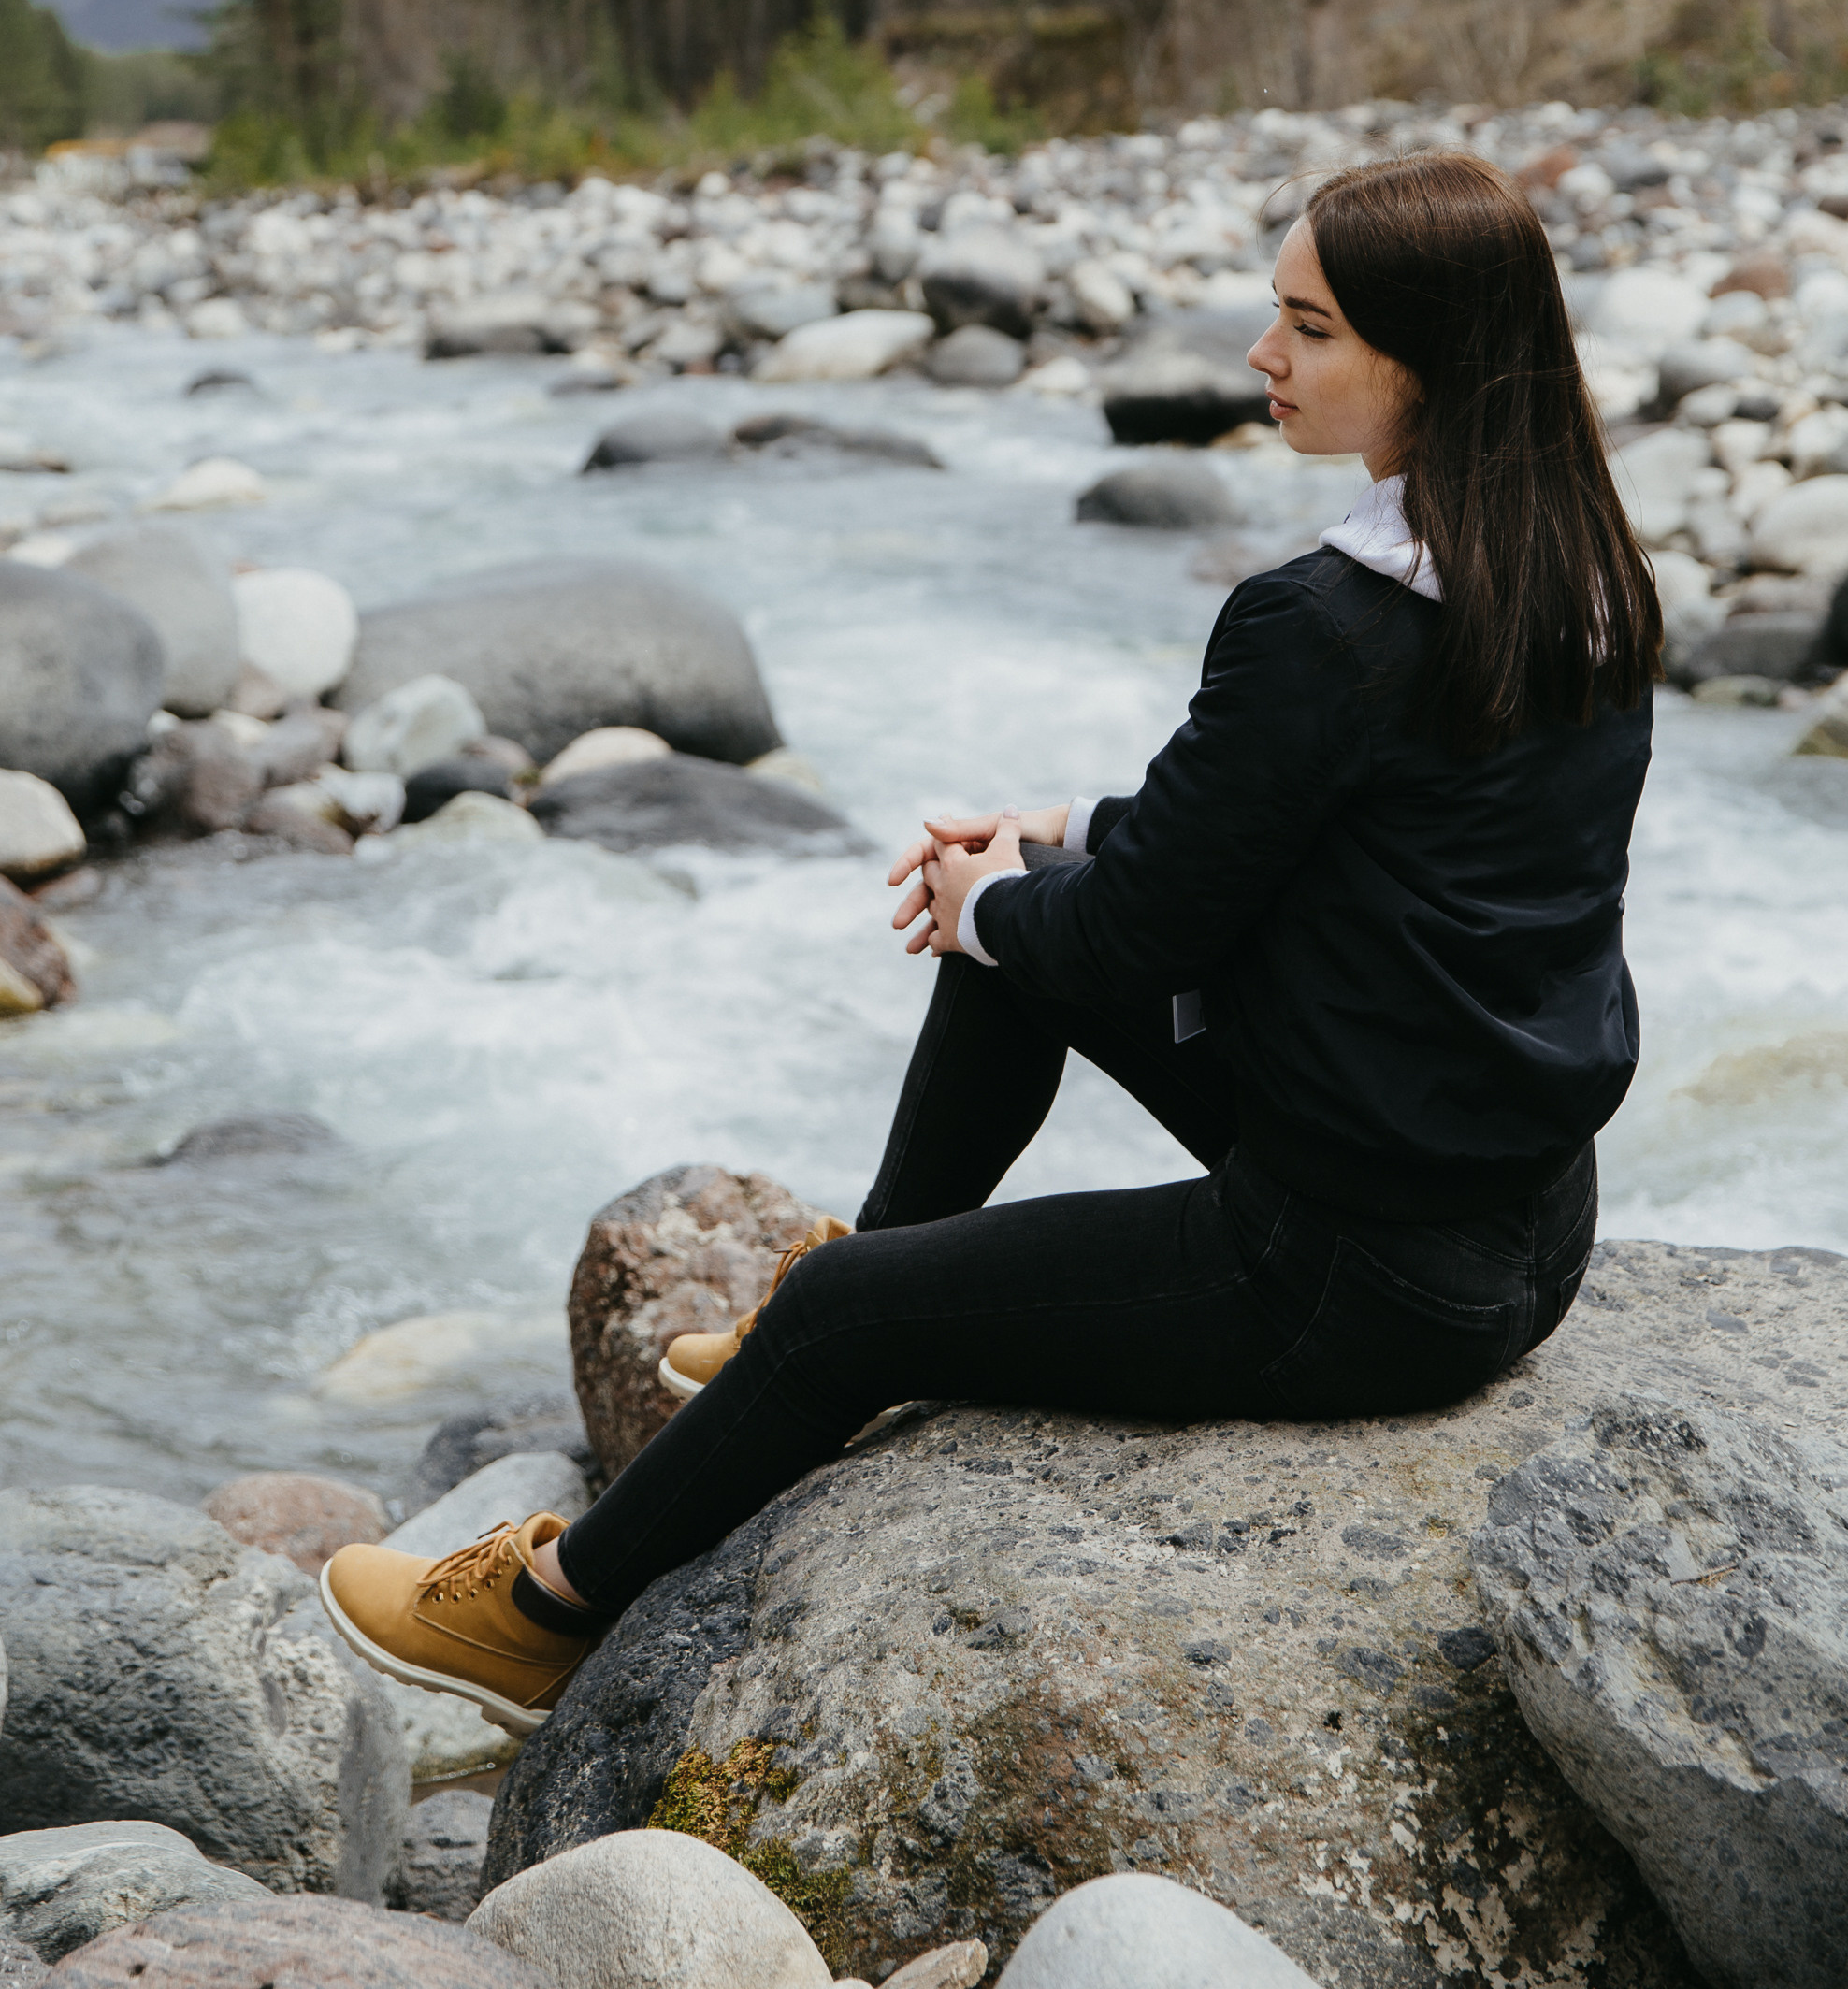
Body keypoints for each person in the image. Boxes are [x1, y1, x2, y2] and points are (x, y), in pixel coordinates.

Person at [321, 149, 1659, 1736]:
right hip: (1522, 1225)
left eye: (1305, 328)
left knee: (855, 1300)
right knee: (1011, 920)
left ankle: (540, 1619)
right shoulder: (1574, 571)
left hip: (1353, 1270)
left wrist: (997, 902)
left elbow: (1140, 936)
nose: (1260, 358)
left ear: (1423, 363)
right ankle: (858, 1266)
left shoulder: (1321, 621)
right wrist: (1052, 849)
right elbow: (1332, 836)